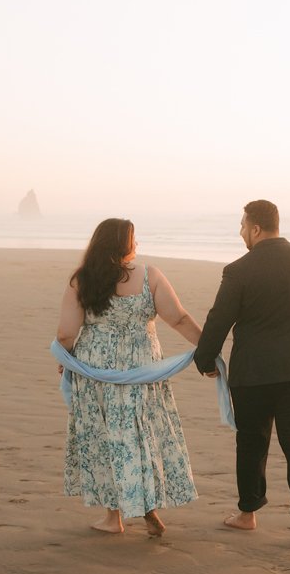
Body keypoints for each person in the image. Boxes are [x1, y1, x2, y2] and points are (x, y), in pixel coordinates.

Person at [194, 199, 290, 545]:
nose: (241, 232)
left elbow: (219, 319)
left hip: (254, 373)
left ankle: (247, 514)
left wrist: (205, 359)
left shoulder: (239, 270)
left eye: (243, 226)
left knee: (252, 441)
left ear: (256, 228)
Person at [57, 218, 205, 536]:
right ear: (123, 244)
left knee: (107, 438)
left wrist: (65, 359)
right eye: (133, 240)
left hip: (96, 371)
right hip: (141, 369)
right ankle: (146, 503)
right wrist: (208, 348)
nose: (136, 245)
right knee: (140, 434)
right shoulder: (149, 275)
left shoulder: (82, 280)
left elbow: (66, 333)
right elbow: (178, 318)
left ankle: (114, 517)